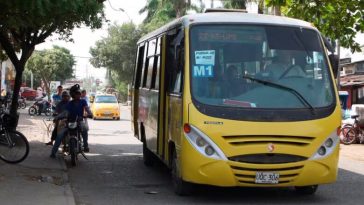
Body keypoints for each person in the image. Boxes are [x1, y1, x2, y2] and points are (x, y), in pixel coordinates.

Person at [50, 85, 92, 158]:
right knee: (60, 135)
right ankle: (53, 152)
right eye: (76, 94)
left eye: (79, 93)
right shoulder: (70, 103)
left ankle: (85, 146)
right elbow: (65, 112)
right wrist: (57, 117)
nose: (78, 95)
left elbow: (87, 108)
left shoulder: (83, 101)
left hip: (79, 121)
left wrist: (90, 114)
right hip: (68, 122)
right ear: (73, 95)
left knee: (84, 129)